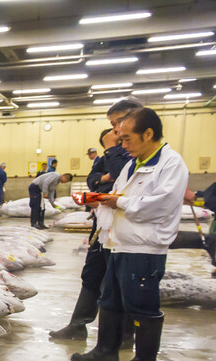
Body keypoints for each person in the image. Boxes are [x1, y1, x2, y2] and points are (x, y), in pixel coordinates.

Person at [72, 107, 188, 361]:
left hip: (144, 248)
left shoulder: (170, 164)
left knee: (141, 305)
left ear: (148, 134)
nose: (122, 145)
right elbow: (118, 193)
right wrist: (100, 200)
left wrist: (118, 201)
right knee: (110, 300)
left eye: (126, 139)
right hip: (119, 243)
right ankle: (105, 352)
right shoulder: (133, 164)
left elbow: (160, 205)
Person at [50, 99, 140, 341]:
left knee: (118, 284)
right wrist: (104, 177)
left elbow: (125, 177)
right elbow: (93, 179)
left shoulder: (138, 153)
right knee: (92, 275)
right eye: (112, 125)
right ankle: (78, 325)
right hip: (102, 226)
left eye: (118, 123)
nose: (115, 130)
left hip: (124, 230)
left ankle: (123, 335)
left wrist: (111, 152)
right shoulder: (109, 154)